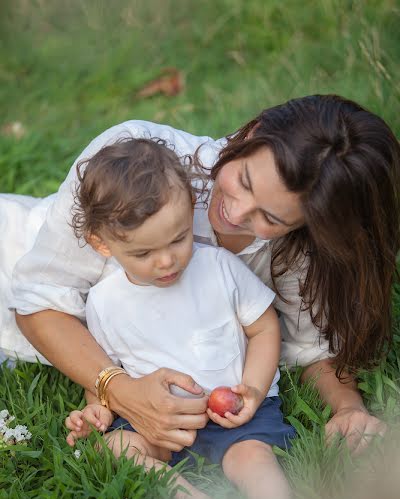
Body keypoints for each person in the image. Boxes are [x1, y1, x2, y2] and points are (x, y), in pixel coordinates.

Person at [1, 94, 399, 454]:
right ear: (253, 133)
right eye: (243, 180)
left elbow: (313, 350)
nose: (236, 213)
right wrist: (121, 392)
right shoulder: (135, 154)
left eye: (270, 217)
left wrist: (348, 409)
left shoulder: (299, 253)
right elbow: (38, 300)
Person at [64, 138, 295, 499]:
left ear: (191, 210)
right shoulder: (104, 301)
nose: (167, 260)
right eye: (143, 253)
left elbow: (265, 328)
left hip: (233, 412)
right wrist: (95, 409)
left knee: (253, 456)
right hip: (155, 421)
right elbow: (103, 368)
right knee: (117, 447)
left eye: (179, 238)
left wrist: (253, 389)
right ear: (101, 244)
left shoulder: (218, 267)